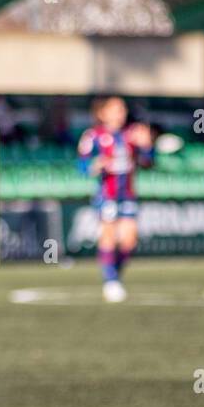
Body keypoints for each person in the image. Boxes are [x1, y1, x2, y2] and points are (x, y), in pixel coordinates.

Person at [77, 96, 153, 302]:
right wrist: (95, 165)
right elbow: (82, 167)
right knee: (109, 235)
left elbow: (148, 162)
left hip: (127, 193)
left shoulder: (132, 134)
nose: (121, 113)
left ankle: (114, 276)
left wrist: (147, 146)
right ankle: (110, 281)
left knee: (129, 240)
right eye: (116, 109)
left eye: (122, 109)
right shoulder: (93, 136)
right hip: (106, 194)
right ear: (103, 113)